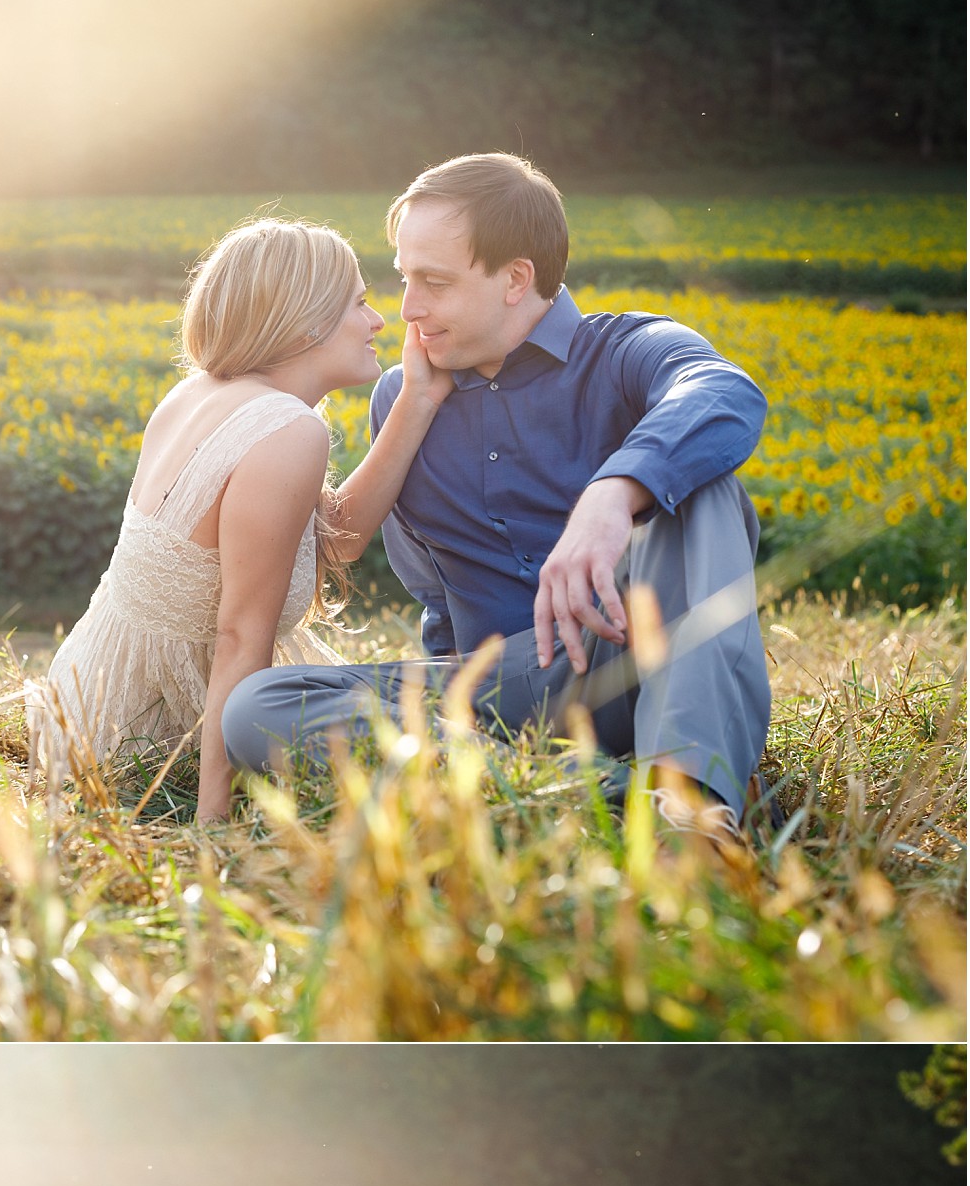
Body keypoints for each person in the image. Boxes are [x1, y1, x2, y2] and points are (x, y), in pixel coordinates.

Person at [220, 154, 774, 841]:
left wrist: (612, 496)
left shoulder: (628, 350)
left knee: (702, 487)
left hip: (638, 655)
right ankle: (611, 802)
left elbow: (725, 392)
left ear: (516, 279)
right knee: (259, 707)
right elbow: (427, 590)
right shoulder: (403, 396)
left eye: (434, 282)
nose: (408, 308)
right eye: (404, 280)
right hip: (494, 689)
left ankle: (691, 806)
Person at [29, 218, 452, 822]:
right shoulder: (285, 430)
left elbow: (339, 539)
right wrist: (212, 821)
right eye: (359, 302)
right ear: (306, 319)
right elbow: (238, 639)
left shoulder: (199, 393)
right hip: (146, 735)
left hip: (81, 699)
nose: (380, 321)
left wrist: (418, 398)